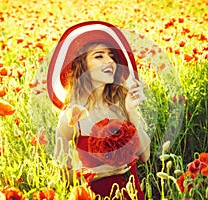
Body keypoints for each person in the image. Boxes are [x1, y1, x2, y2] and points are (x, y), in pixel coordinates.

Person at [47, 21, 151, 200]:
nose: (109, 60)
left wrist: (132, 112)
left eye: (111, 56)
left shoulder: (121, 107)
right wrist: (100, 174)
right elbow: (62, 175)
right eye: (99, 56)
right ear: (83, 66)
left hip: (133, 195)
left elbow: (145, 155)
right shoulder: (72, 117)